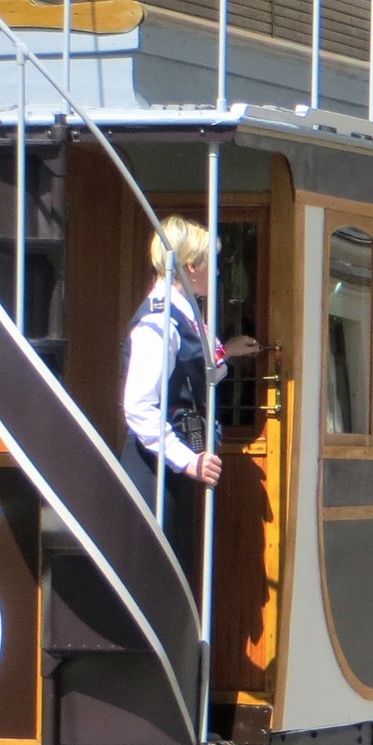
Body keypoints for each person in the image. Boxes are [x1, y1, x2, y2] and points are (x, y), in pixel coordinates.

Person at [120, 216, 259, 573]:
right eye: (210, 263)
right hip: (154, 469)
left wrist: (226, 352)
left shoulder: (186, 315)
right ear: (189, 266)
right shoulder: (158, 323)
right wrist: (188, 460)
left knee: (175, 567)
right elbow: (139, 407)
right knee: (157, 573)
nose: (216, 273)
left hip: (172, 465)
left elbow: (201, 366)